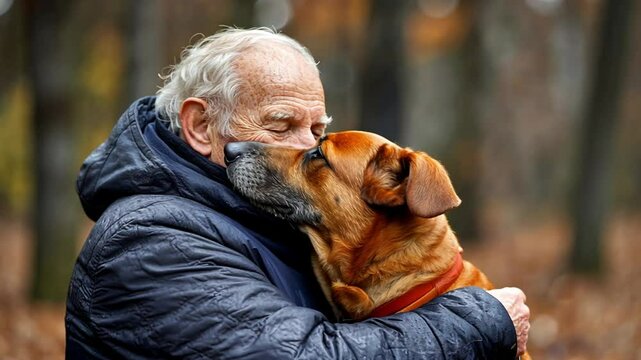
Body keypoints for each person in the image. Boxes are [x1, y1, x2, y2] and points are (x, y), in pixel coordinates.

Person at [65, 28, 530, 359]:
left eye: (317, 130)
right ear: (201, 126)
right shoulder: (151, 239)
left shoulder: (276, 224)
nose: (308, 148)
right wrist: (474, 322)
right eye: (281, 124)